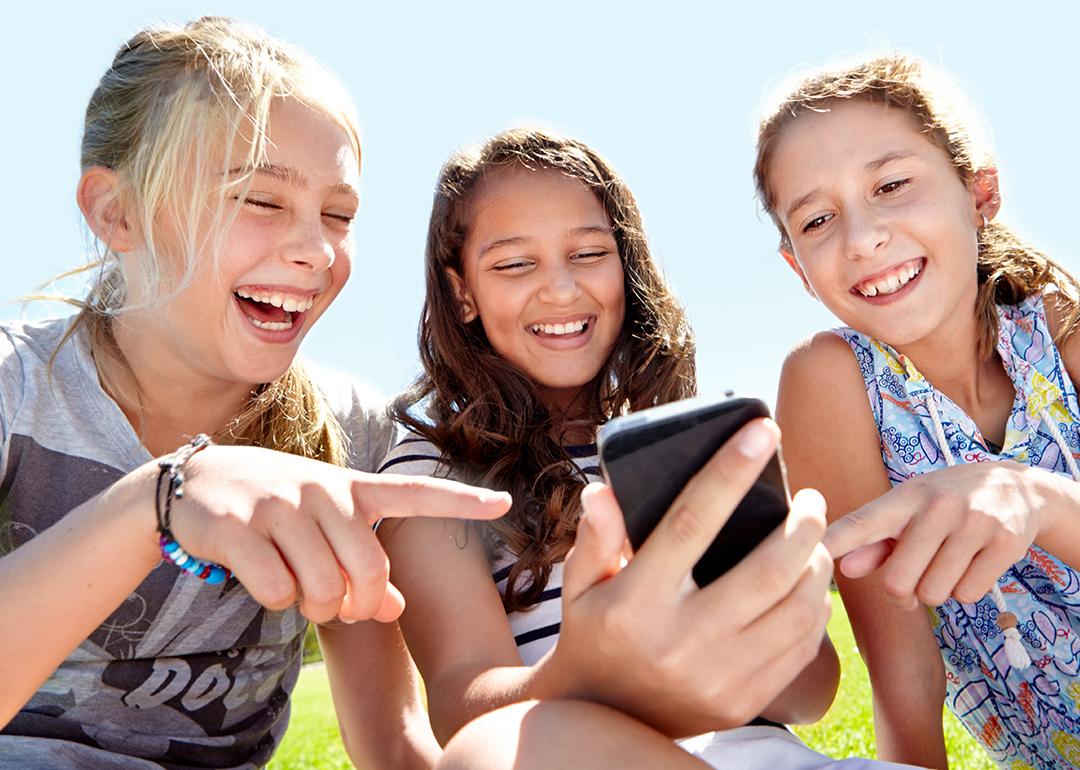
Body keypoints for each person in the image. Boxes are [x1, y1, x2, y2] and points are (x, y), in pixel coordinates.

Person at [0, 17, 510, 770]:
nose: (316, 249)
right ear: (117, 213)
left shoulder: (356, 437)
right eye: (261, 201)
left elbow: (398, 746)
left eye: (339, 215)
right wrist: (164, 498)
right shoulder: (17, 390)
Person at [376, 127, 922, 769]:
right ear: (462, 291)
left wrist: (770, 601)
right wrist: (590, 667)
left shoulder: (688, 451)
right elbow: (462, 704)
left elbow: (812, 695)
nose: (560, 289)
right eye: (514, 264)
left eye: (588, 254)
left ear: (626, 266)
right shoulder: (432, 476)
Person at [757, 55, 1080, 769]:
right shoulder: (830, 382)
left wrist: (1039, 500)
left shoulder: (1057, 323)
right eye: (817, 220)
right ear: (798, 271)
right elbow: (903, 675)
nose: (862, 237)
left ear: (979, 193)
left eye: (893, 185)